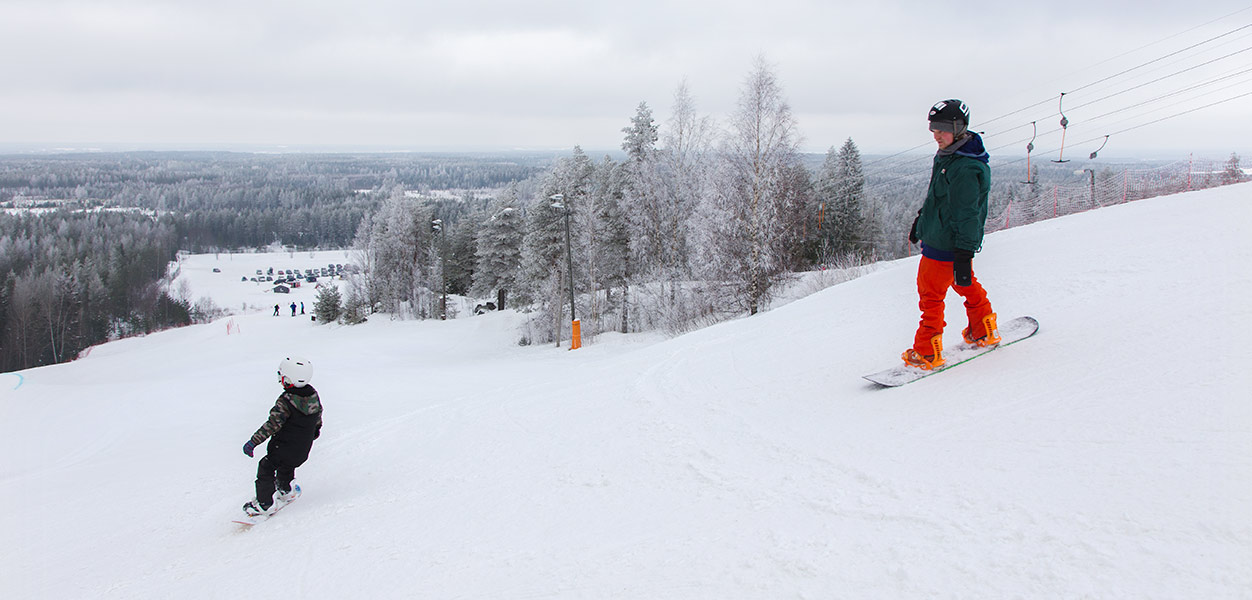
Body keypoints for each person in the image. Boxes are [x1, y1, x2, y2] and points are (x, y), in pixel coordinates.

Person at [903, 99, 1001, 370]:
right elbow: (940, 199)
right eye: (934, 127)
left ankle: (927, 352)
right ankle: (984, 328)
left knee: (930, 297)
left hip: (946, 244)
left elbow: (967, 213)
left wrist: (964, 251)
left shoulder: (965, 167)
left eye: (943, 128)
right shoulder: (951, 156)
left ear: (959, 128)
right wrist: (921, 221)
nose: (937, 134)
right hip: (945, 239)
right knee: (964, 283)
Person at [242, 357, 323, 516]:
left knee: (266, 466)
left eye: (282, 376)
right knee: (287, 465)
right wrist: (312, 434)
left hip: (283, 448)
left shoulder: (285, 401)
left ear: (288, 379)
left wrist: (253, 442)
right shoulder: (313, 395)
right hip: (302, 450)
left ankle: (265, 504)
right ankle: (286, 489)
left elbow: (271, 425)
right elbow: (318, 419)